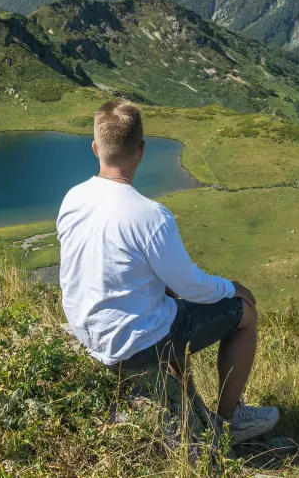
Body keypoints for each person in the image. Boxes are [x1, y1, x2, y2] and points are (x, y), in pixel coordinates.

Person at [57, 99, 279, 444]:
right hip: (131, 345)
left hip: (87, 332)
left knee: (169, 301)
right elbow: (191, 286)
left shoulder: (73, 198)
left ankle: (191, 404)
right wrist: (232, 287)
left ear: (96, 148)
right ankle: (228, 422)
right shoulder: (149, 215)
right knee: (244, 314)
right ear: (141, 150)